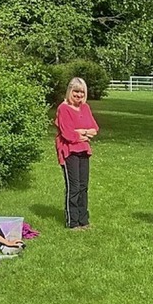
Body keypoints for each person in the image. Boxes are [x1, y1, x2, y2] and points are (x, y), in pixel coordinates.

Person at [54, 77, 99, 230]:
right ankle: (72, 222)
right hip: (69, 151)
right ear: (70, 91)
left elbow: (94, 129)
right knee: (73, 187)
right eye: (76, 91)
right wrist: (81, 134)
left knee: (83, 186)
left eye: (82, 92)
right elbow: (67, 134)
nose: (79, 95)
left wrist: (82, 132)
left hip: (84, 151)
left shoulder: (85, 107)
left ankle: (83, 220)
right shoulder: (63, 108)